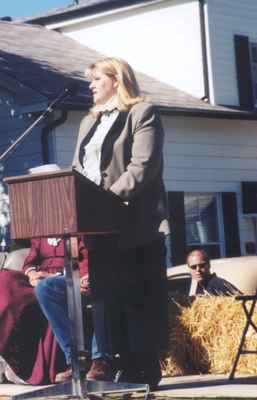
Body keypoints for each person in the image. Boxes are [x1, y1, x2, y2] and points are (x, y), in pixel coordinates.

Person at [36, 57, 169, 388]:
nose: (91, 85)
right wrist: (71, 203)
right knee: (106, 300)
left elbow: (143, 167)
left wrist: (106, 201)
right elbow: (78, 171)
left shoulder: (142, 112)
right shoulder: (87, 122)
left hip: (134, 226)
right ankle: (105, 364)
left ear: (116, 80)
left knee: (136, 302)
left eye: (96, 79)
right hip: (98, 228)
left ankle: (143, 371)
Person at [0, 237, 87, 384]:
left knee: (46, 289)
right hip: (38, 280)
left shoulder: (76, 233)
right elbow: (30, 262)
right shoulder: (42, 234)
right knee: (6, 279)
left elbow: (82, 263)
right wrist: (32, 274)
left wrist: (51, 277)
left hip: (64, 281)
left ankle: (73, 361)